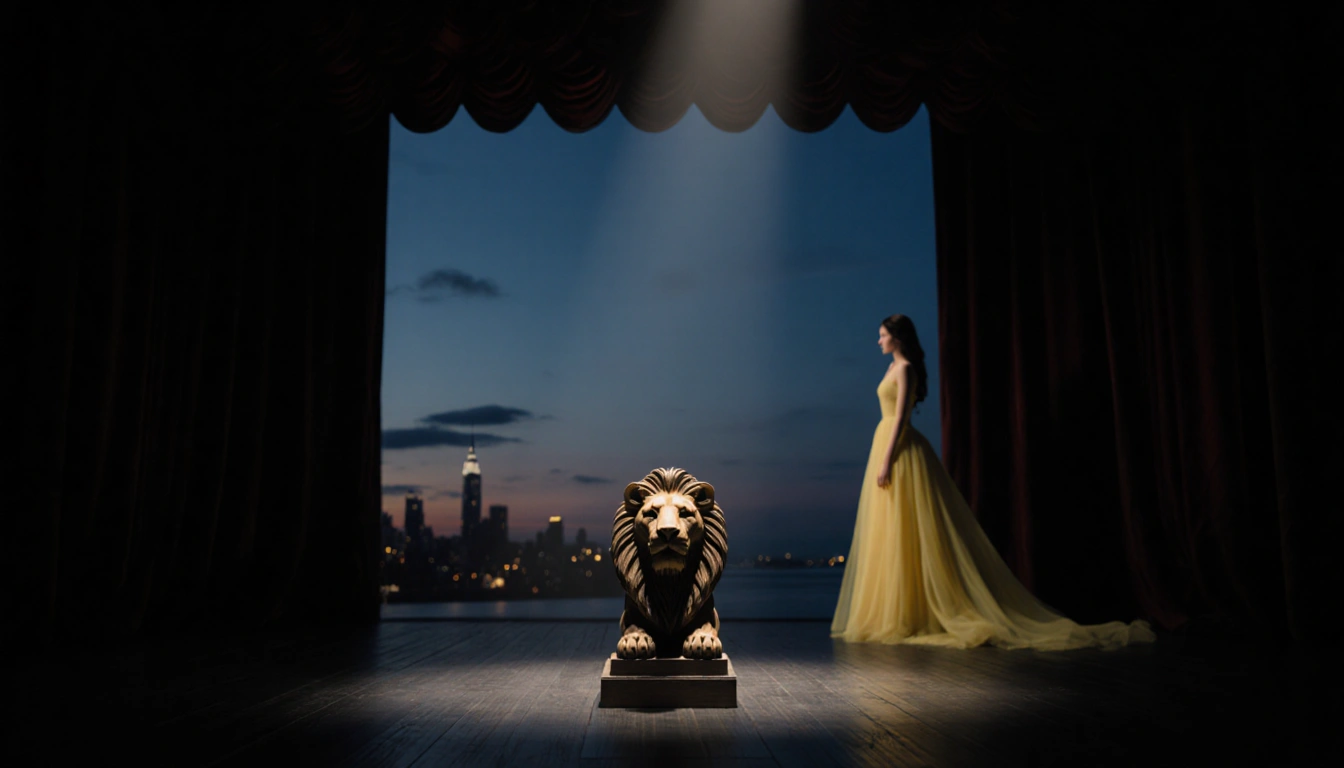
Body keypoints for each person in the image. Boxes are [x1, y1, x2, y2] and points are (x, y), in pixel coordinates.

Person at [830, 314, 1155, 650]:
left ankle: (916, 612)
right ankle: (898, 611)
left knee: (911, 526)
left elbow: (901, 417)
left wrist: (887, 458)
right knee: (891, 528)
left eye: (883, 335)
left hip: (899, 448)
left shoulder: (906, 369)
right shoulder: (891, 368)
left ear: (898, 337)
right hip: (885, 442)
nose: (879, 341)